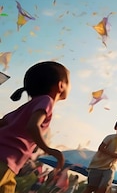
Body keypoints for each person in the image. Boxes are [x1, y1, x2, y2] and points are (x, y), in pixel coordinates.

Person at [0, 61, 70, 193]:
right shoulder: (46, 101)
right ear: (61, 85)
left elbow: (3, 122)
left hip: (8, 164)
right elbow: (33, 126)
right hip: (5, 160)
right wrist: (49, 150)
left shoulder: (27, 106)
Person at [82, 118, 117, 193]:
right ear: (116, 127)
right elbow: (101, 148)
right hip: (98, 165)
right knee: (91, 187)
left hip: (110, 167)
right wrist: (114, 155)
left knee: (105, 187)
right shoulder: (110, 137)